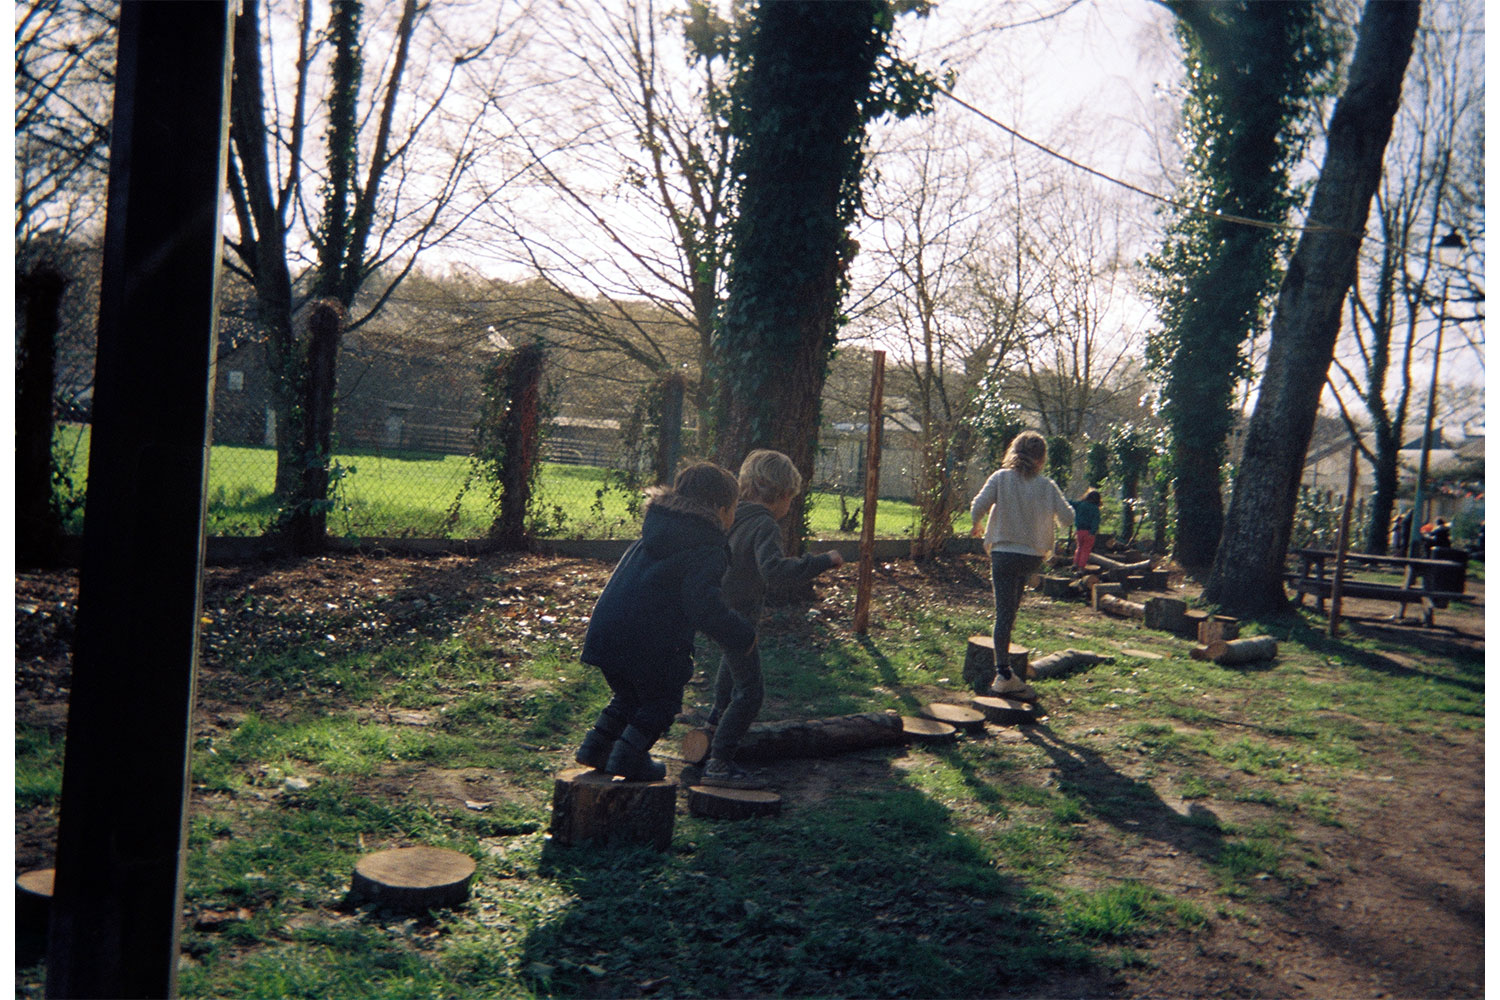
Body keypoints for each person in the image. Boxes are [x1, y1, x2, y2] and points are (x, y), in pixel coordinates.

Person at [574, 462, 757, 781]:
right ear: (720, 509)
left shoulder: (656, 530)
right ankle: (629, 757)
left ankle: (596, 747)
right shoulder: (707, 547)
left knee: (629, 697)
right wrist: (740, 633)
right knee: (662, 702)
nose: (733, 516)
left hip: (607, 633)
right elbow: (704, 607)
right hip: (651, 642)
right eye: (734, 508)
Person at [704, 449, 845, 789]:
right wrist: (822, 561)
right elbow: (775, 571)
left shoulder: (732, 515)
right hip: (739, 619)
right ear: (781, 495)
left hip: (717, 611)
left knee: (731, 672)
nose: (789, 507)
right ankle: (719, 763)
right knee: (751, 692)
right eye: (791, 499)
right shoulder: (765, 524)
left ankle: (710, 732)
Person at [968, 430, 1075, 698]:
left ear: (1013, 452)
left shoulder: (1001, 478)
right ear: (1041, 459)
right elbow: (1068, 518)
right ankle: (1007, 674)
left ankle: (1003, 673)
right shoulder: (1048, 486)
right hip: (1032, 557)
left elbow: (977, 506)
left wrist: (977, 524)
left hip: (1003, 553)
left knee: (1003, 614)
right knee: (1011, 610)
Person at [1070, 488, 1103, 572]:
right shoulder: (1095, 509)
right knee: (1086, 550)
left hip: (1079, 531)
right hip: (1089, 532)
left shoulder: (1080, 504)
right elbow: (1096, 521)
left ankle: (1075, 564)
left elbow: (1070, 503)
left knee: (1079, 548)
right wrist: (1093, 532)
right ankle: (1081, 567)